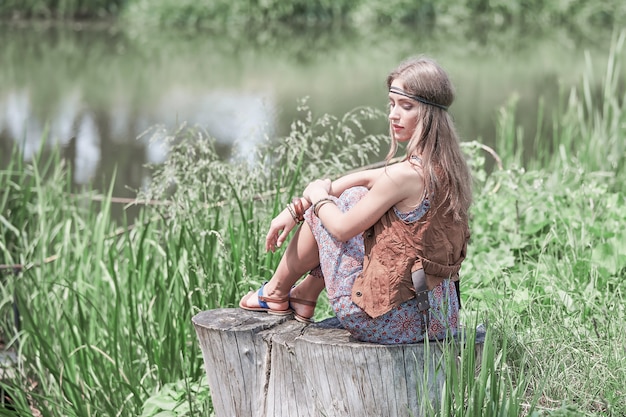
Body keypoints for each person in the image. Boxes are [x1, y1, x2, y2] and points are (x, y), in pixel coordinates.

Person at [239, 56, 472, 344]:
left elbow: (341, 229)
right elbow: (366, 179)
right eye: (392, 104)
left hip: (391, 323)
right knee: (353, 197)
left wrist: (315, 199)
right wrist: (297, 206)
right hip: (437, 317)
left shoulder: (405, 176)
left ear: (429, 114)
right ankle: (302, 296)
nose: (393, 115)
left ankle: (275, 292)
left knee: (325, 213)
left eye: (406, 106)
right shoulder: (445, 168)